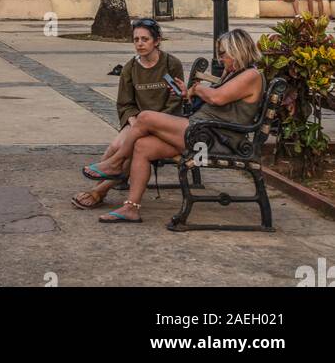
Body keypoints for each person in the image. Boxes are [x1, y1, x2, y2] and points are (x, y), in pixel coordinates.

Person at [96, 28, 265, 223]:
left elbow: (217, 98)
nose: (220, 59)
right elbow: (214, 99)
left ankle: (116, 163)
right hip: (204, 132)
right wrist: (188, 92)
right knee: (142, 146)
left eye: (223, 53)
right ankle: (130, 208)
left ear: (237, 51)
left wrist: (196, 88)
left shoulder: (251, 75)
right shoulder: (235, 74)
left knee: (145, 118)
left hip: (214, 139)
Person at [72, 18, 184, 211]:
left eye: (145, 39)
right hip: (137, 122)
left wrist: (153, 126)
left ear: (156, 41)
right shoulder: (130, 68)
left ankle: (99, 192)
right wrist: (135, 123)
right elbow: (125, 103)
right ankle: (97, 186)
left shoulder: (171, 64)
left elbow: (176, 100)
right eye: (136, 39)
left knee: (133, 147)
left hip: (166, 123)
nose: (140, 44)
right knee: (116, 145)